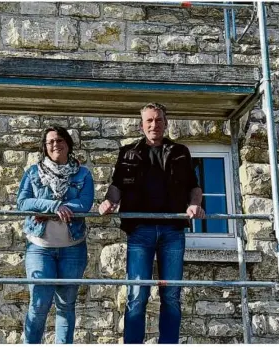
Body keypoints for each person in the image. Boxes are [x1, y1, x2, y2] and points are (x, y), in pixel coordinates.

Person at [98, 102, 205, 344]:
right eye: (149, 121)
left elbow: (194, 186)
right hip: (139, 230)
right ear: (141, 125)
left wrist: (195, 204)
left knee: (171, 295)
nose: (154, 124)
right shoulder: (127, 152)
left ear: (166, 123)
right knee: (137, 294)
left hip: (173, 230)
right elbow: (117, 186)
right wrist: (108, 201)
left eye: (158, 120)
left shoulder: (180, 152)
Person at [17, 126, 95, 344]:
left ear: (68, 144)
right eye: (50, 141)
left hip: (73, 248)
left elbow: (85, 204)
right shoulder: (33, 173)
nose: (55, 145)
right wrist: (53, 206)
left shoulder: (83, 174)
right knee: (39, 303)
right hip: (40, 248)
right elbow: (23, 203)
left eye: (60, 140)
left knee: (66, 304)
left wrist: (50, 212)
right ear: (45, 147)